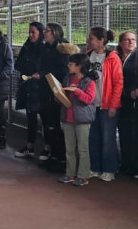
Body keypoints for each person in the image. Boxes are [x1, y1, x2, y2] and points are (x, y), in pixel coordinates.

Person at [38, 22, 78, 172]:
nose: (44, 33)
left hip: (56, 91)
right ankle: (54, 155)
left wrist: (59, 91)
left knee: (57, 125)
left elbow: (62, 71)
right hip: (47, 89)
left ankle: (60, 157)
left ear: (55, 32)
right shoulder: (47, 48)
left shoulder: (62, 48)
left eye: (47, 31)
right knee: (50, 125)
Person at [86, 27, 123, 182]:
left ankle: (109, 169)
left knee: (108, 138)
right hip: (91, 104)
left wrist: (113, 105)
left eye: (92, 38)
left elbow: (118, 83)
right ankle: (95, 167)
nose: (89, 41)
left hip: (106, 104)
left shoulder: (112, 58)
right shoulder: (88, 56)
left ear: (101, 40)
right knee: (92, 137)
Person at [57, 53, 98, 187]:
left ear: (79, 66)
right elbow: (63, 96)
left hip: (82, 120)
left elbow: (88, 99)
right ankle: (70, 173)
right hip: (68, 118)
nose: (68, 66)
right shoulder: (67, 78)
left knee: (82, 148)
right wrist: (59, 95)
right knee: (69, 148)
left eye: (71, 64)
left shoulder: (89, 82)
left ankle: (83, 176)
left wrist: (76, 91)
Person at [14, 22, 46, 158]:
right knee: (30, 117)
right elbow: (18, 63)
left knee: (45, 118)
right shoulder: (27, 46)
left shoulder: (44, 48)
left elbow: (46, 66)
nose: (31, 35)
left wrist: (39, 73)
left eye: (34, 32)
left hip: (40, 88)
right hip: (28, 85)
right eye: (30, 32)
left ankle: (47, 147)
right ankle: (30, 146)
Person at [119, 43, 138, 178]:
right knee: (128, 134)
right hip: (128, 103)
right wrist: (129, 91)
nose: (130, 42)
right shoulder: (131, 57)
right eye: (127, 39)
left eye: (133, 39)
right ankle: (129, 165)